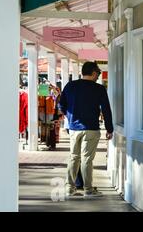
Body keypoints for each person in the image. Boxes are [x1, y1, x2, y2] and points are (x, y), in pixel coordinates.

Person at [59, 62, 113, 199]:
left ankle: (69, 188)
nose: (98, 77)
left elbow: (61, 104)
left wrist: (69, 116)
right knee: (87, 159)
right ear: (94, 73)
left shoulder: (70, 86)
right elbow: (106, 109)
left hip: (73, 129)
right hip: (91, 129)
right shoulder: (99, 89)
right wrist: (109, 128)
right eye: (98, 74)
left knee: (73, 157)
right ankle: (88, 189)